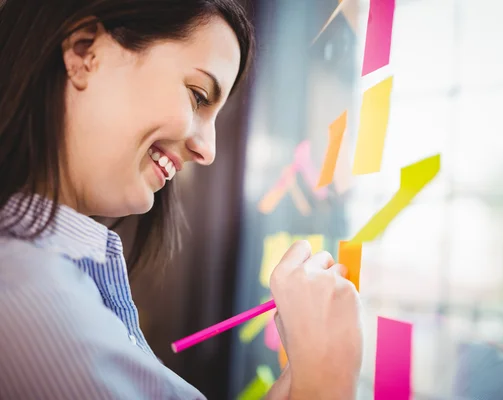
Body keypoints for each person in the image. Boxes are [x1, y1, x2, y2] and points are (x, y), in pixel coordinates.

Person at [0, 0, 363, 399]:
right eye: (197, 95)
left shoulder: (54, 284)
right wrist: (328, 377)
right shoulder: (28, 298)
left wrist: (306, 374)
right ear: (86, 52)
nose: (208, 150)